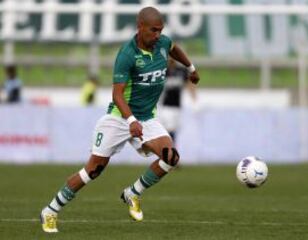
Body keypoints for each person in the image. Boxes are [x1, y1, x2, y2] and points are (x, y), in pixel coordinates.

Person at [40, 6, 200, 233]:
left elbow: (175, 49)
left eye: (160, 30)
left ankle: (133, 193)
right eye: (153, 30)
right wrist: (131, 120)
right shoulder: (127, 54)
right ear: (140, 27)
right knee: (92, 171)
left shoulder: (162, 43)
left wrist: (191, 67)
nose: (157, 35)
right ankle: (50, 210)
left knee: (170, 157)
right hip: (119, 118)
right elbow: (117, 94)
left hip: (147, 119)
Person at [159, 58, 196, 142]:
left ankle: (171, 149)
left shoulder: (181, 71)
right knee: (166, 128)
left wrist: (194, 100)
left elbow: (189, 84)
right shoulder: (163, 71)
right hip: (165, 105)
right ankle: (167, 149)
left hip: (177, 106)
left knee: (174, 129)